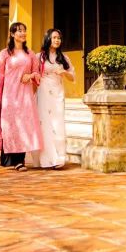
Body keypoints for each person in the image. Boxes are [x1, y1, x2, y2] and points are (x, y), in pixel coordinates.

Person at [0, 22, 41, 171]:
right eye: (19, 31)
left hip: (25, 95)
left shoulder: (30, 54)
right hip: (9, 95)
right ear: (12, 34)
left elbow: (37, 73)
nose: (23, 33)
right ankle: (9, 158)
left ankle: (20, 161)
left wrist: (30, 75)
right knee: (10, 126)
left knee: (23, 126)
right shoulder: (4, 54)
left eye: (24, 31)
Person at [26, 28, 74, 169]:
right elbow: (33, 75)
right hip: (43, 92)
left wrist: (64, 72)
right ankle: (44, 159)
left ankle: (58, 158)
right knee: (44, 123)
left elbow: (72, 77)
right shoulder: (39, 57)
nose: (57, 40)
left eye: (59, 38)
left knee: (57, 123)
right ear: (48, 39)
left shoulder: (63, 58)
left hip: (58, 92)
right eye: (54, 38)